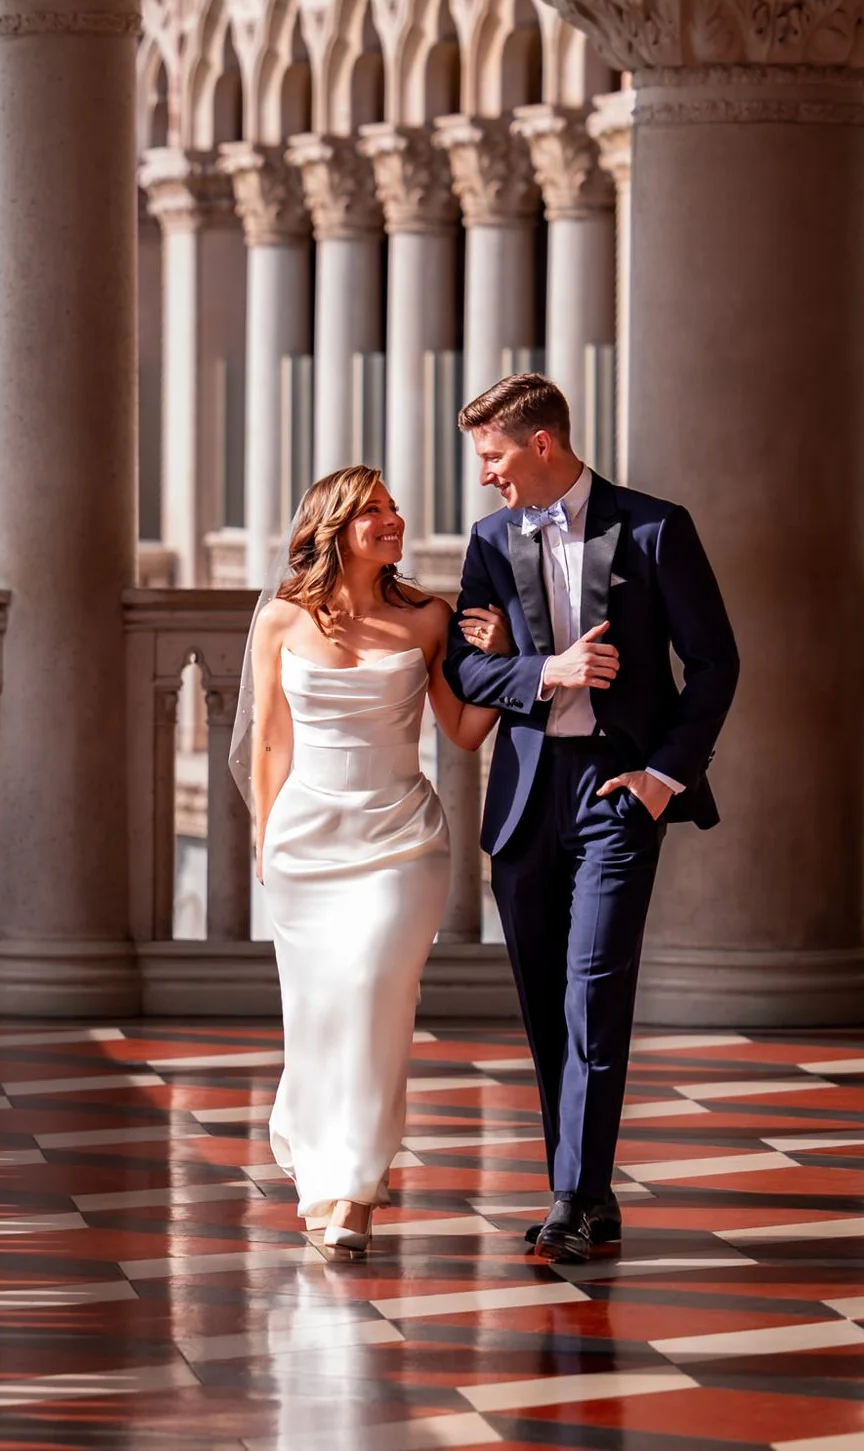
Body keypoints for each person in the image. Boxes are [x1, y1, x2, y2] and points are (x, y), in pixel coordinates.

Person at [442, 374, 738, 1265]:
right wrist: (542, 671)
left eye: (492, 456)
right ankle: (583, 1187)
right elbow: (463, 671)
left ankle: (575, 1192)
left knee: (594, 994)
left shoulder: (654, 527)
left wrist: (661, 777)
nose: (486, 475)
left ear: (539, 445)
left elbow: (716, 663)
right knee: (543, 1005)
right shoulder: (491, 540)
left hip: (618, 790)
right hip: (527, 798)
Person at [234, 465, 513, 1261]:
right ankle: (325, 1178)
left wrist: (504, 660)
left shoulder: (431, 617)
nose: (392, 519)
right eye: (373, 511)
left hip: (402, 840)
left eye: (393, 507)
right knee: (319, 1015)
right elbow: (269, 739)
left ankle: (355, 1187)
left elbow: (460, 730)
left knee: (373, 996)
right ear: (335, 528)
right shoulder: (282, 621)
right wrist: (265, 837)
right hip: (306, 843)